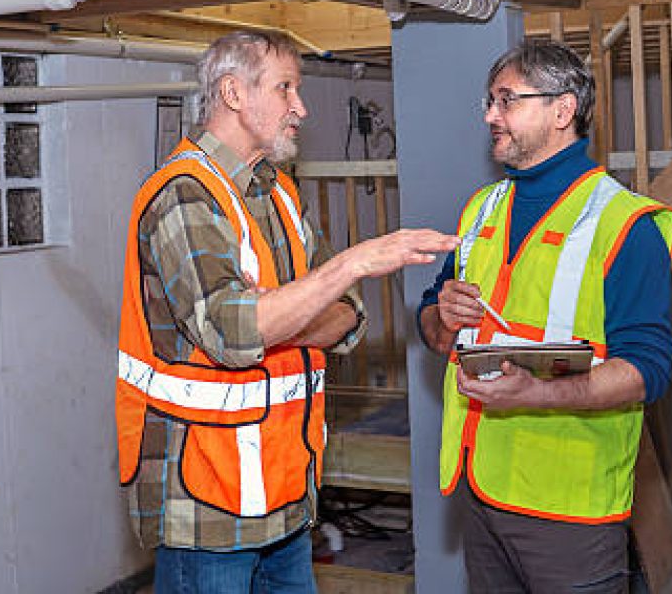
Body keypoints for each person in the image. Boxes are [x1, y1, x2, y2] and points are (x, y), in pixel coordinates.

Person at [117, 30, 459, 594]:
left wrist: (281, 312)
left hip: (286, 496)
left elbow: (347, 317)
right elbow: (232, 331)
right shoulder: (184, 196)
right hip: (208, 503)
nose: (300, 107)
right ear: (232, 93)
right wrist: (347, 267)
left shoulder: (278, 192)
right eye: (285, 89)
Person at [418, 39, 672, 594]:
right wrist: (441, 316)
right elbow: (432, 323)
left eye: (507, 100)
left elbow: (646, 371)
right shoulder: (481, 209)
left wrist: (534, 395)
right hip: (482, 492)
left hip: (569, 509)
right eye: (489, 101)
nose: (490, 115)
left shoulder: (624, 224)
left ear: (563, 110)